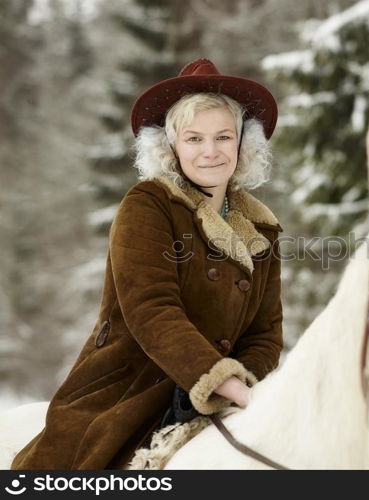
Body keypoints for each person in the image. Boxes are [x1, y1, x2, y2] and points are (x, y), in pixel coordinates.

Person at [11, 58, 283, 470]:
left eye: (223, 137)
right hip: (127, 395)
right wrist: (218, 379)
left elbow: (266, 332)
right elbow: (151, 310)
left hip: (224, 396)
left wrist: (244, 385)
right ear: (171, 146)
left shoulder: (262, 228)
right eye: (194, 139)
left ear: (242, 144)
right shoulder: (148, 205)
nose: (211, 151)